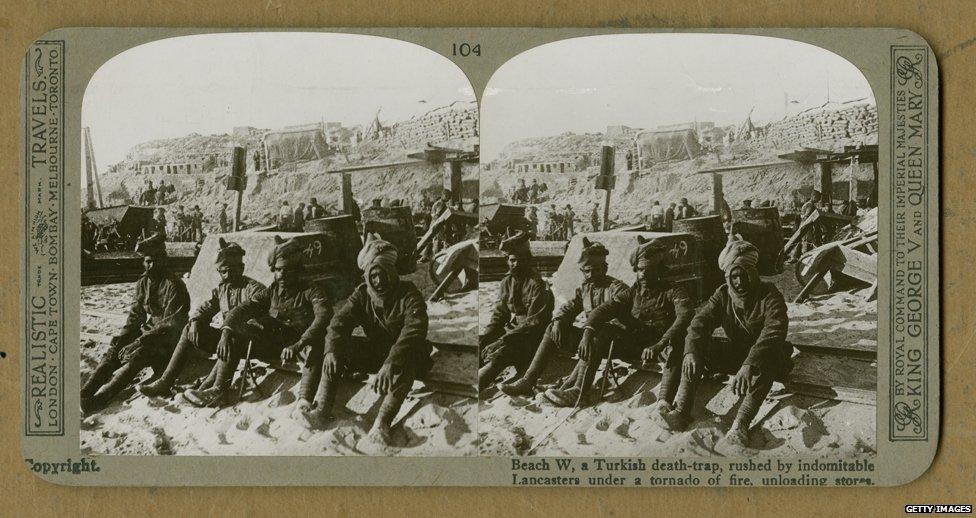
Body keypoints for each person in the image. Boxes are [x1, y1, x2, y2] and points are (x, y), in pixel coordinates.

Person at [657, 237, 791, 447]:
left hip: (765, 356)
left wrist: (749, 364)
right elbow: (699, 323)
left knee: (768, 362)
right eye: (734, 277)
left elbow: (773, 332)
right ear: (727, 277)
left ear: (752, 272)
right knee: (691, 344)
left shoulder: (769, 295)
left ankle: (741, 424)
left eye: (743, 275)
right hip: (737, 354)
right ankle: (682, 411)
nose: (739, 282)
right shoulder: (722, 295)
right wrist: (691, 351)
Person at [301, 234, 432, 444]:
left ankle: (382, 423)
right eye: (374, 275)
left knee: (409, 360)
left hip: (405, 353)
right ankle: (321, 411)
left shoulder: (409, 294)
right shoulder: (362, 294)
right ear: (368, 276)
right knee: (329, 347)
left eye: (383, 274)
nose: (378, 281)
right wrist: (332, 350)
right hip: (376, 352)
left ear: (392, 272)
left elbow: (414, 330)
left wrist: (391, 363)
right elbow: (338, 323)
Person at [183, 236, 333, 409]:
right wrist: (226, 331)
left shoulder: (311, 290)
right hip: (275, 346)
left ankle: (304, 401)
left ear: (297, 270)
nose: (282, 275)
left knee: (314, 347)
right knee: (234, 337)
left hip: (300, 346)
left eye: (287, 270)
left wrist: (299, 344)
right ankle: (219, 390)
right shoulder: (272, 291)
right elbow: (243, 309)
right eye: (277, 270)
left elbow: (323, 317)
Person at [544, 236, 694, 407]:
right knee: (602, 330)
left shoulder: (674, 290)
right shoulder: (633, 291)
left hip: (660, 345)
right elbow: (603, 310)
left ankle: (664, 402)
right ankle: (579, 391)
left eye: (648, 269)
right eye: (639, 270)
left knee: (676, 345)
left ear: (659, 269)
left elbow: (684, 317)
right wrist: (588, 332)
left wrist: (659, 344)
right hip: (635, 345)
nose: (643, 274)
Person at [499, 238, 627, 398]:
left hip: (618, 343)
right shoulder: (585, 288)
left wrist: (588, 332)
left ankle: (579, 391)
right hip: (592, 339)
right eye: (586, 271)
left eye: (596, 270)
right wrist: (559, 321)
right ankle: (528, 380)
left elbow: (606, 313)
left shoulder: (617, 288)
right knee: (552, 328)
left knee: (599, 333)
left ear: (605, 268)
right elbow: (569, 307)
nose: (591, 275)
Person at [138, 239, 265, 397]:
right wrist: (196, 321)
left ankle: (218, 390)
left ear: (242, 268)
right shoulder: (222, 289)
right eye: (223, 271)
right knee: (188, 329)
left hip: (255, 343)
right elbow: (206, 307)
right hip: (230, 340)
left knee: (233, 337)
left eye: (232, 271)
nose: (227, 276)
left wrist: (227, 331)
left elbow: (248, 316)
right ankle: (166, 381)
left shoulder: (254, 289)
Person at [80, 238, 190, 414]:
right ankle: (85, 393)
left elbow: (172, 324)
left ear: (164, 260)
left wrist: (139, 341)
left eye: (156, 260)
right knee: (115, 348)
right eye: (148, 261)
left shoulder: (175, 285)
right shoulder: (143, 283)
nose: (151, 265)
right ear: (143, 262)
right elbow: (135, 316)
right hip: (149, 333)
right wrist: (124, 339)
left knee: (138, 354)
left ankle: (101, 399)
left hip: (169, 341)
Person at [479, 231, 553, 392]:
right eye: (512, 260)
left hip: (533, 338)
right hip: (515, 332)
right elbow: (499, 315)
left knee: (502, 353)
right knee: (481, 343)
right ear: (508, 261)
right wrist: (487, 338)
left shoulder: (538, 284)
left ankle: (478, 385)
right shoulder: (507, 282)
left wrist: (502, 340)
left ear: (528, 260)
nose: (516, 264)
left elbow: (534, 323)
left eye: (520, 260)